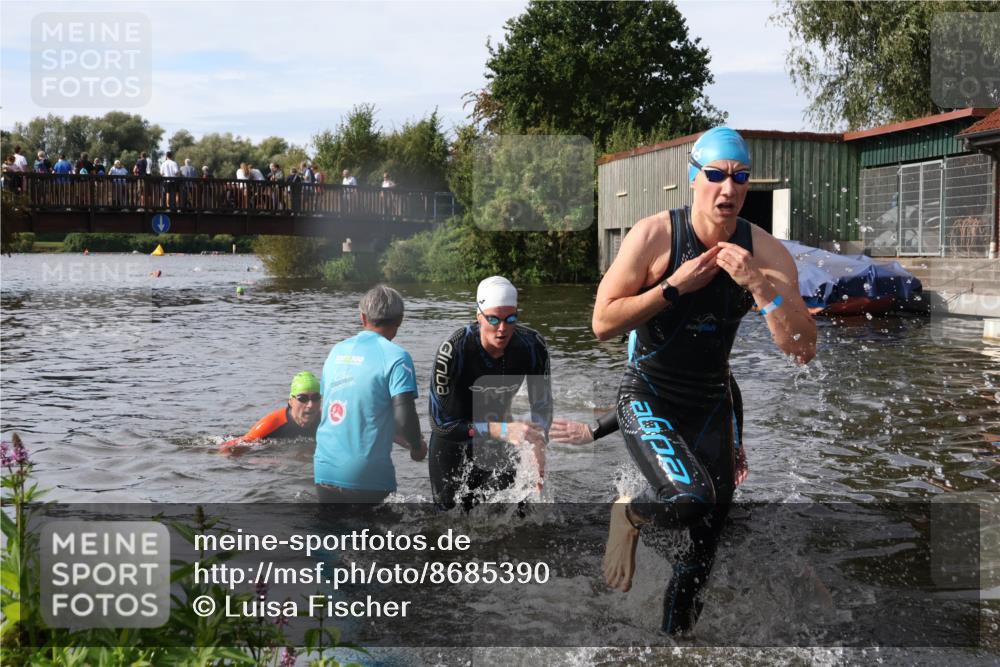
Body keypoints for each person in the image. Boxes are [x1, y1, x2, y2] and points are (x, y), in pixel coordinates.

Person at [590, 127, 816, 636]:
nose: (728, 189)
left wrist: (758, 286)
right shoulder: (655, 237)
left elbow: (802, 348)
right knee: (687, 499)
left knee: (701, 553)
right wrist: (673, 287)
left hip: (711, 404)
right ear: (694, 179)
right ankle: (627, 513)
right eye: (715, 175)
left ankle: (677, 647)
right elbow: (603, 323)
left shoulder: (765, 252)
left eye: (739, 178)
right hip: (647, 394)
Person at [428, 276, 552, 511]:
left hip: (499, 439)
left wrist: (539, 442)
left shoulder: (532, 346)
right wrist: (501, 430)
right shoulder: (454, 349)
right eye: (493, 319)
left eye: (510, 319)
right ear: (479, 316)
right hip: (453, 440)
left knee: (511, 517)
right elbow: (441, 423)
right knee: (447, 524)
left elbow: (543, 406)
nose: (503, 328)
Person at [314, 285, 426, 504]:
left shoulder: (337, 350)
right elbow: (404, 414)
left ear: (362, 317)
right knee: (375, 538)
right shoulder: (397, 357)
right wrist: (416, 446)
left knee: (332, 537)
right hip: (368, 477)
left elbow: (329, 408)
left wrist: (392, 434)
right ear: (399, 321)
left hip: (324, 471)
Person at [220, 371, 323, 454]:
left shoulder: (326, 419)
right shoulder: (273, 422)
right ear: (291, 401)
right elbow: (229, 448)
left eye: (315, 398)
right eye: (303, 398)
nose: (310, 404)